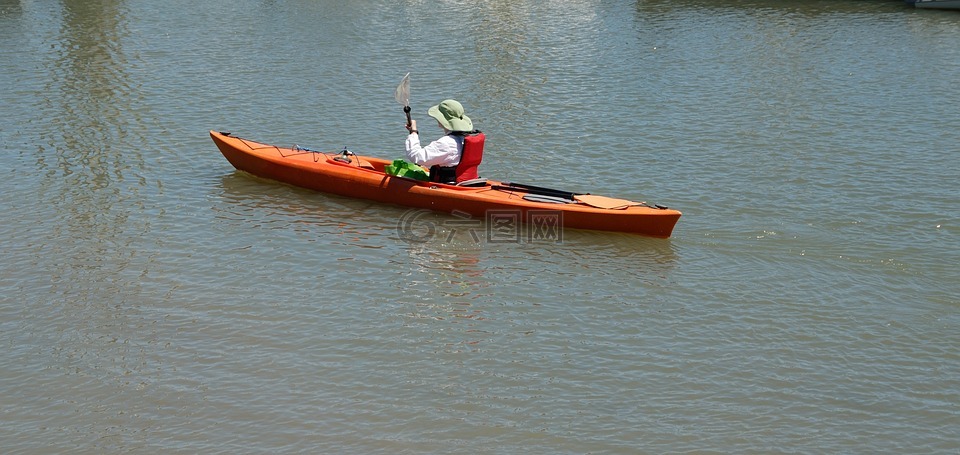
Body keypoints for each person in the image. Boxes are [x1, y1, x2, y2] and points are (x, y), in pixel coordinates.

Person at [404, 99, 474, 182]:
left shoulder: (447, 143)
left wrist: (413, 132)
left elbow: (416, 157)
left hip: (448, 186)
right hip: (466, 181)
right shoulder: (466, 139)